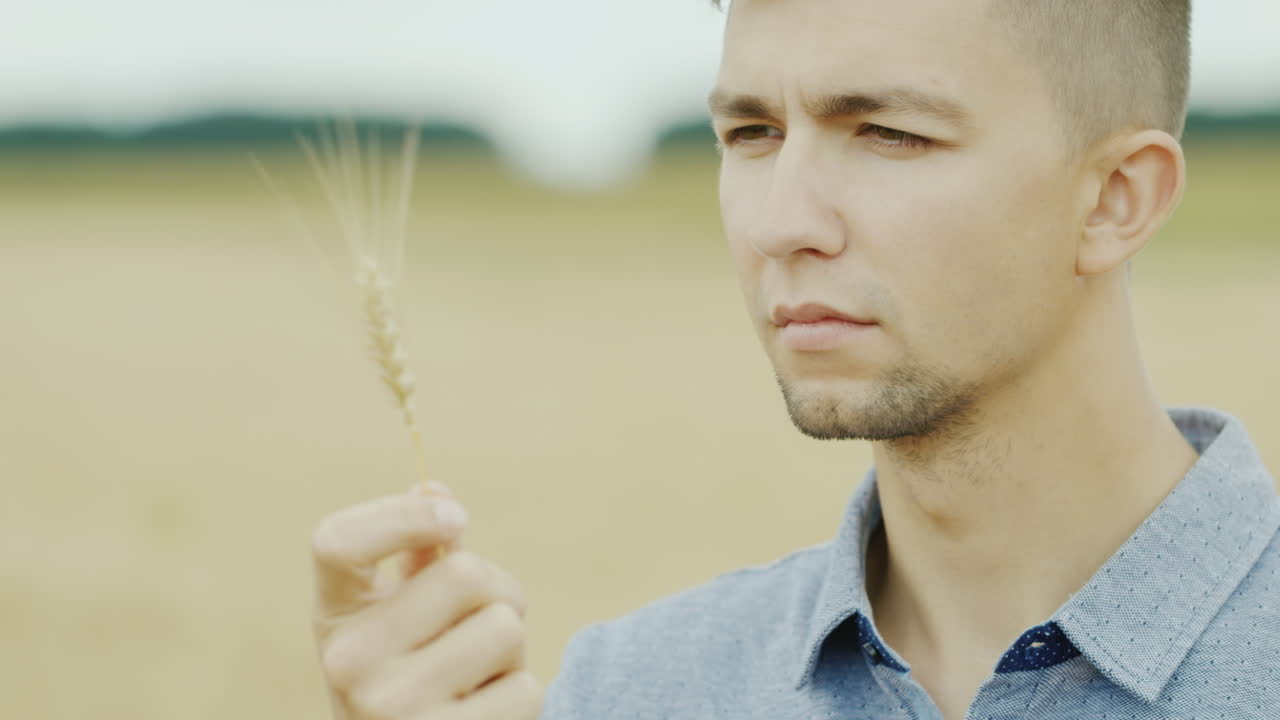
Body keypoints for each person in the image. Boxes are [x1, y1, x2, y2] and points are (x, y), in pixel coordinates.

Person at [308, 0, 1280, 718]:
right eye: (750, 134)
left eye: (887, 132)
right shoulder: (626, 691)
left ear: (1114, 198)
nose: (778, 223)